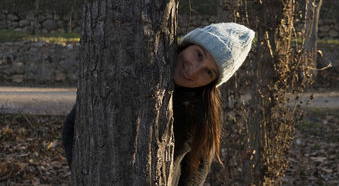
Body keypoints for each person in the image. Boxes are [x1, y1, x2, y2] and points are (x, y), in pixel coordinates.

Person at [62, 22, 255, 186]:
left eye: (209, 72)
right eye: (198, 55)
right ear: (187, 45)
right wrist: (83, 175)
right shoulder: (132, 71)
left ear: (212, 83)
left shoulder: (202, 110)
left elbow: (197, 169)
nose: (194, 71)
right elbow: (73, 126)